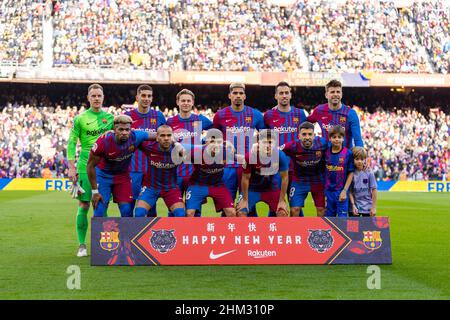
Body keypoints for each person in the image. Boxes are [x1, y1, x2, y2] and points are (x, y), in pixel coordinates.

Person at [67, 83, 114, 257]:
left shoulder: (110, 118)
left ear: (103, 98)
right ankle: (82, 245)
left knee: (102, 204)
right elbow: (71, 142)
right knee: (84, 204)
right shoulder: (80, 118)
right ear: (88, 98)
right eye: (93, 96)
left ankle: (104, 244)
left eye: (99, 96)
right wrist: (71, 167)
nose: (96, 98)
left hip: (104, 167)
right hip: (85, 165)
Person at [86, 115, 155, 218]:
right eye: (121, 129)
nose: (124, 132)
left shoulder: (135, 136)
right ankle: (100, 234)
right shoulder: (103, 142)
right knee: (99, 211)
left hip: (122, 177)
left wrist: (175, 142)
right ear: (114, 129)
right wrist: (95, 191)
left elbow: (158, 135)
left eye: (127, 129)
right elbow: (90, 166)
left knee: (127, 211)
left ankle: (127, 234)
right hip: (103, 176)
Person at [212, 83, 265, 204]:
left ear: (245, 96)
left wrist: (257, 147)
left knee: (247, 206)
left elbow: (266, 138)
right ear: (229, 95)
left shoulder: (255, 114)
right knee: (227, 207)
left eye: (241, 93)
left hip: (247, 167)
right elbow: (213, 140)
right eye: (235, 93)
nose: (238, 96)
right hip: (227, 168)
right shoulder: (220, 115)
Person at [166, 89, 213, 216]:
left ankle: (193, 234)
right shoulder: (170, 122)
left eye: (188, 101)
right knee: (174, 209)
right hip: (175, 172)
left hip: (195, 172)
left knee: (195, 210)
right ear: (177, 102)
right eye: (183, 101)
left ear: (192, 103)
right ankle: (174, 234)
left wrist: (207, 141)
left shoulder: (201, 120)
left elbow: (217, 130)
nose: (185, 103)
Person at [124, 85, 166, 215]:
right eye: (143, 95)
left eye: (149, 96)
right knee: (128, 208)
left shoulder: (158, 116)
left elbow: (166, 140)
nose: (146, 98)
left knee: (151, 209)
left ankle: (150, 235)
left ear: (152, 98)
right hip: (132, 169)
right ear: (137, 97)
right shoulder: (127, 116)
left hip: (152, 170)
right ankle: (129, 235)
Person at [134, 125, 186, 218]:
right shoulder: (149, 147)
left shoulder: (179, 150)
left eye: (169, 135)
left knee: (181, 214)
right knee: (139, 213)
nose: (166, 138)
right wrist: (112, 132)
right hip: (151, 188)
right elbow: (133, 135)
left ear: (172, 137)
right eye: (162, 135)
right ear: (157, 137)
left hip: (171, 188)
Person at [237, 130, 289, 217]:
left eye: (270, 142)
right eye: (264, 142)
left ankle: (276, 230)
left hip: (272, 188)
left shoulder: (280, 155)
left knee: (282, 212)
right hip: (252, 189)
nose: (267, 145)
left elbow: (285, 178)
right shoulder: (250, 156)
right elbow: (245, 178)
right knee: (241, 212)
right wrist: (245, 200)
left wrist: (282, 200)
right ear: (258, 143)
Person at [183, 132, 236, 217]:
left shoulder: (226, 151)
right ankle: (190, 230)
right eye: (212, 141)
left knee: (232, 212)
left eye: (218, 142)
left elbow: (241, 158)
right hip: (197, 185)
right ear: (206, 142)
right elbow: (182, 148)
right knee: (189, 213)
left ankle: (228, 230)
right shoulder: (196, 152)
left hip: (217, 185)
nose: (215, 144)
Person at [281, 122, 327, 217]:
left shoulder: (323, 143)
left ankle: (320, 231)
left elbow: (337, 151)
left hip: (318, 180)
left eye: (310, 134)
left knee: (321, 209)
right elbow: (275, 151)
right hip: (299, 180)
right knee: (294, 210)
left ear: (314, 135)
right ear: (299, 136)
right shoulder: (292, 146)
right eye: (304, 134)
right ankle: (295, 232)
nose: (307, 137)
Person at [307, 79, 363, 148]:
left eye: (338, 92)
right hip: (325, 157)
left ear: (341, 94)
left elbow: (358, 140)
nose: (335, 94)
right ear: (326, 95)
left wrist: (360, 156)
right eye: (332, 92)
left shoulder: (351, 114)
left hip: (345, 157)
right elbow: (305, 122)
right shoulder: (319, 110)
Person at [324, 125, 355, 217]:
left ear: (343, 139)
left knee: (342, 220)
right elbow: (322, 172)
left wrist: (345, 190)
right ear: (330, 138)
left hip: (341, 191)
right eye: (334, 137)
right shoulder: (325, 152)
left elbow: (351, 173)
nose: (337, 139)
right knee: (329, 220)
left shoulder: (348, 153)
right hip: (328, 192)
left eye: (339, 137)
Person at [349, 147, 377, 217]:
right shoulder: (350, 173)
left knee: (367, 227)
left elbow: (374, 190)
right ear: (353, 159)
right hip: (354, 207)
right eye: (357, 159)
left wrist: (373, 207)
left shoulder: (369, 172)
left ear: (365, 160)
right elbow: (349, 191)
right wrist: (353, 205)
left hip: (367, 207)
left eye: (362, 159)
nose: (359, 161)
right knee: (353, 227)